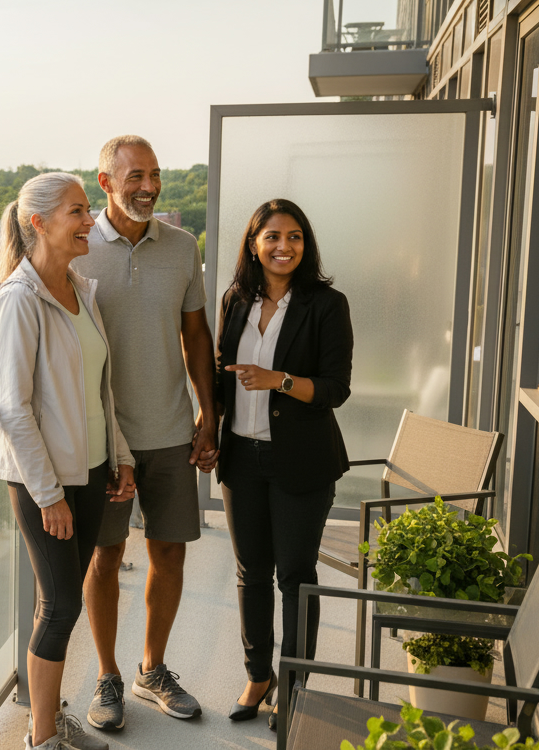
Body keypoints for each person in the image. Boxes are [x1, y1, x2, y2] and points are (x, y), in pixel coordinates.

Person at [71, 135, 219, 728]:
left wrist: (209, 413)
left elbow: (197, 337)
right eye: (134, 176)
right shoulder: (76, 249)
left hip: (169, 430)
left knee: (169, 551)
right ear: (105, 182)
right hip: (101, 437)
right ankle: (107, 676)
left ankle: (151, 669)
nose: (148, 186)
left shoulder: (182, 247)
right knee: (103, 556)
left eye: (154, 175)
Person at [0, 171, 137, 750]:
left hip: (93, 471)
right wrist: (47, 494)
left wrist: (120, 457)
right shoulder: (19, 299)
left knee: (62, 601)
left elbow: (103, 390)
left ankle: (44, 719)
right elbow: (14, 408)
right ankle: (43, 738)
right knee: (61, 605)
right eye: (77, 212)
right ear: (38, 223)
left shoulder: (82, 290)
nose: (88, 222)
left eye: (86, 210)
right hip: (43, 481)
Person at [215, 199, 352, 730]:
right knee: (252, 574)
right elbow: (224, 372)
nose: (283, 246)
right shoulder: (235, 300)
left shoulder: (326, 304)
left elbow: (336, 388)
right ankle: (258, 675)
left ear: (305, 244)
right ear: (254, 243)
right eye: (272, 236)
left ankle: (294, 687)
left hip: (302, 462)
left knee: (295, 575)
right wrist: (212, 426)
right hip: (241, 456)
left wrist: (280, 381)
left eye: (294, 237)